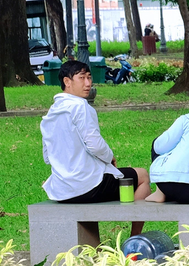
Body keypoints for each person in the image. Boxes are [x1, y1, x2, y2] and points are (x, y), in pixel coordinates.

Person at [40, 61, 150, 234]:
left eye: (89, 77)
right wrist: (110, 156)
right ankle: (134, 241)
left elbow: (48, 157)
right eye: (81, 78)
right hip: (88, 187)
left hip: (62, 190)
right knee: (142, 175)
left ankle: (95, 249)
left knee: (93, 183)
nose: (88, 83)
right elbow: (95, 145)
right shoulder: (80, 106)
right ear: (67, 82)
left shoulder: (51, 113)